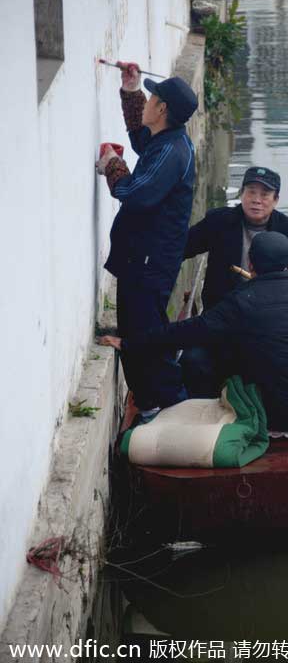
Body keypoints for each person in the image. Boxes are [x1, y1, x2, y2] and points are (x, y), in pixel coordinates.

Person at [99, 232, 288, 432]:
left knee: (200, 360)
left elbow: (187, 332)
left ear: (251, 264)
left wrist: (131, 343)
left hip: (271, 419)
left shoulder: (241, 302)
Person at [96, 62, 198, 414]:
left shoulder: (172, 151)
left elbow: (135, 192)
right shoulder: (168, 140)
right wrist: (131, 90)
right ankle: (154, 405)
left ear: (163, 109)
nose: (149, 100)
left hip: (150, 262)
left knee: (147, 337)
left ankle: (170, 405)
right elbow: (142, 139)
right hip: (145, 257)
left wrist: (111, 163)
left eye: (152, 96)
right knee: (140, 332)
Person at [183, 166, 288, 310]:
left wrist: (281, 291)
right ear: (241, 194)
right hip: (223, 308)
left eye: (264, 195)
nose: (256, 200)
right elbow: (182, 247)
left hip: (271, 307)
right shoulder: (218, 222)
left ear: (275, 200)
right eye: (251, 192)